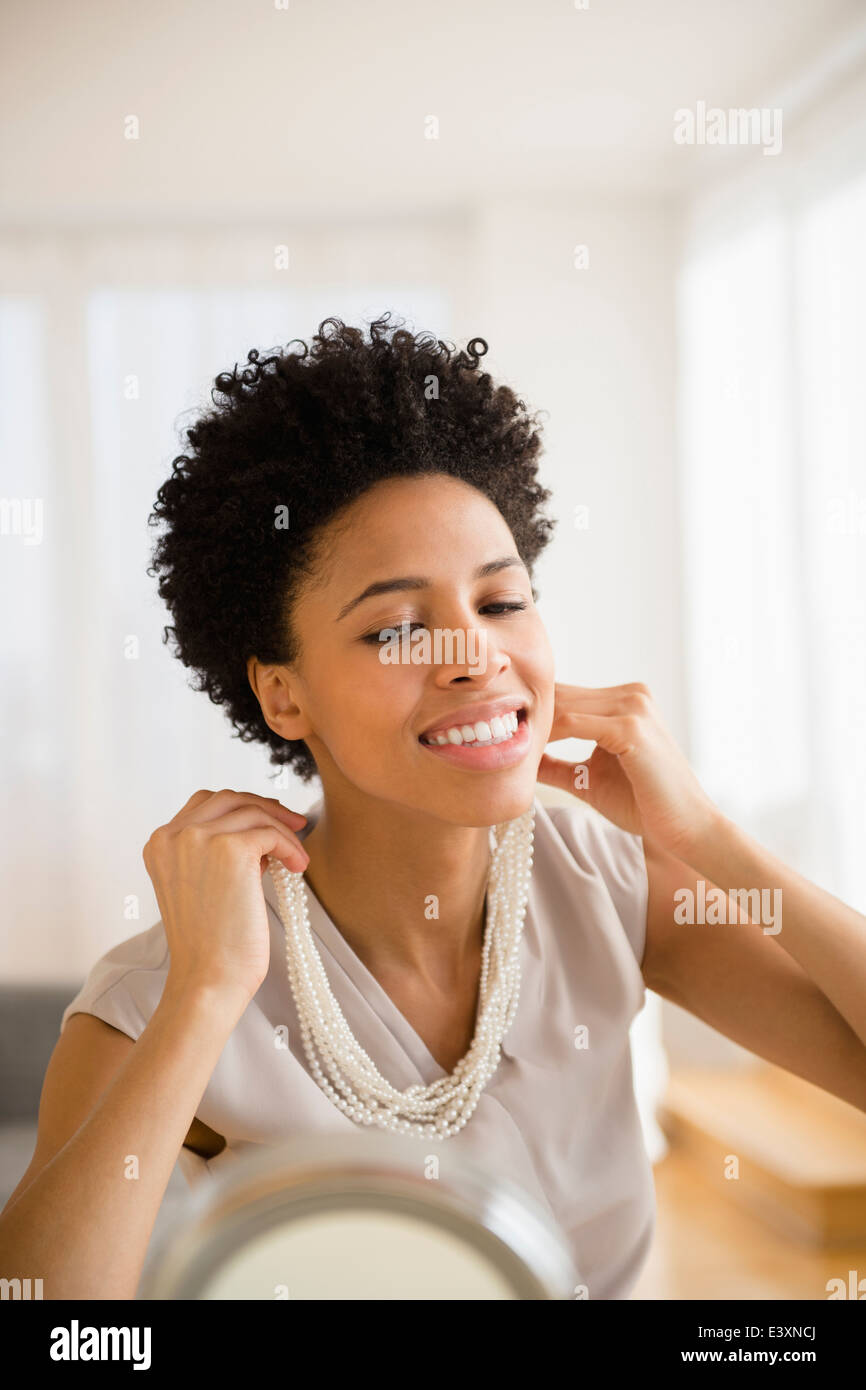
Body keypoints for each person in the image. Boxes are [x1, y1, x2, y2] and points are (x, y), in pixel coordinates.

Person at [2, 315, 865, 1300]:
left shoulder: (602, 880)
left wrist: (708, 840)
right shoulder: (163, 989)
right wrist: (205, 996)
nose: (475, 655)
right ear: (282, 692)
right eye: (396, 627)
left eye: (500, 603)